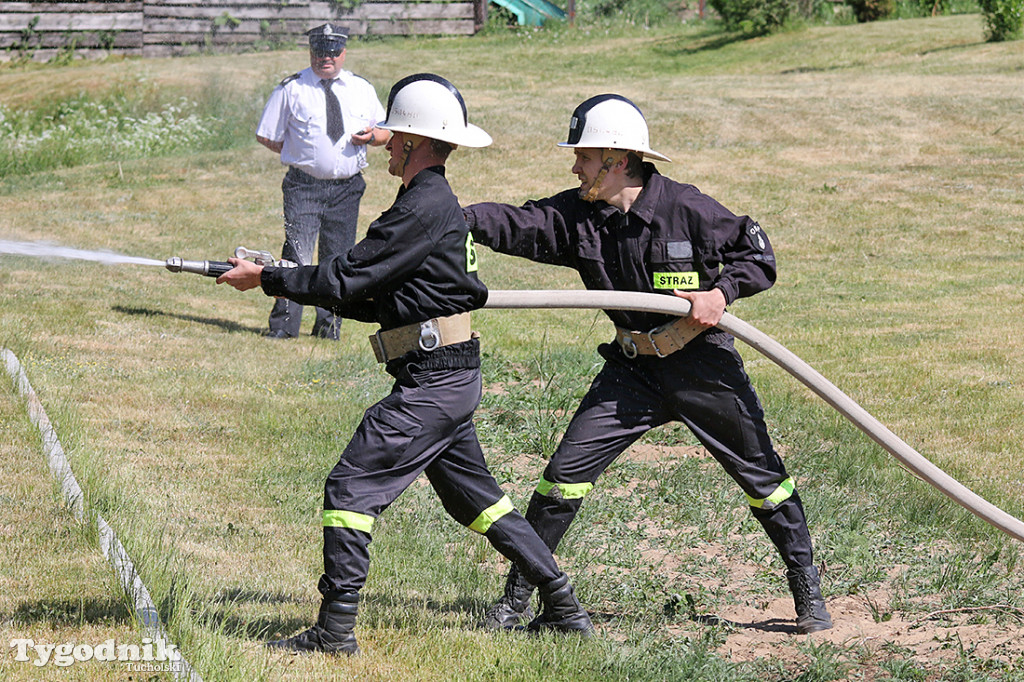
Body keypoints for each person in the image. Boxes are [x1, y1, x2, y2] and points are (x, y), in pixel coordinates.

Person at [218, 74, 594, 655]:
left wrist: (269, 279)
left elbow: (344, 277)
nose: (386, 144)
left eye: (394, 136)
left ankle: (334, 631)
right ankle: (564, 606)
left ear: (415, 143)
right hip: (446, 375)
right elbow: (372, 294)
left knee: (349, 489)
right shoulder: (425, 205)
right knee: (478, 500)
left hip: (434, 383)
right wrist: (277, 276)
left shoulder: (422, 207)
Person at [464, 94, 833, 635]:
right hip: (631, 370)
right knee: (562, 478)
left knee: (763, 479)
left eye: (584, 158)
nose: (574, 167)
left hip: (702, 365)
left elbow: (759, 255)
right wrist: (452, 219)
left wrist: (722, 292)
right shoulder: (577, 216)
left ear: (617, 160)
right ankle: (518, 597)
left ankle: (807, 591)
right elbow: (519, 223)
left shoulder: (688, 209)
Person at [255, 23, 388, 340]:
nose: (325, 58)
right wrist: (302, 155)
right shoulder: (292, 88)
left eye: (332, 52)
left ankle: (329, 327)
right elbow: (267, 135)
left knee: (338, 257)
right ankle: (284, 327)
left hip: (347, 188)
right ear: (311, 52)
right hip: (304, 186)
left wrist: (371, 137)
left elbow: (384, 132)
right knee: (297, 254)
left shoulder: (361, 89)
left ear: (343, 53)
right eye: (319, 51)